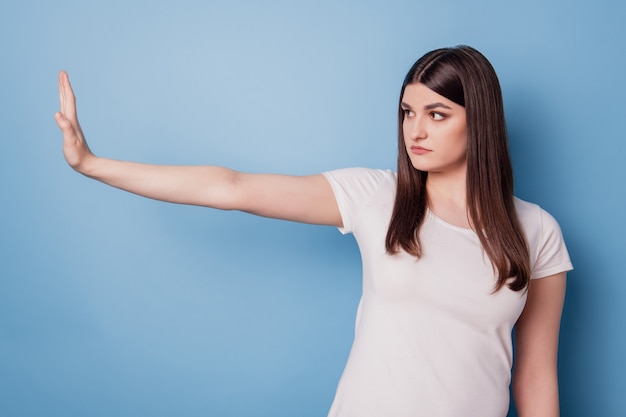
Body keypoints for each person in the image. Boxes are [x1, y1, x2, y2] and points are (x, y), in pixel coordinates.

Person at [55, 45, 572, 417]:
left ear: (477, 120)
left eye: (437, 114)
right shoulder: (378, 197)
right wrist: (92, 164)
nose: (415, 130)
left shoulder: (536, 230)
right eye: (407, 113)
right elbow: (232, 187)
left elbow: (534, 376)